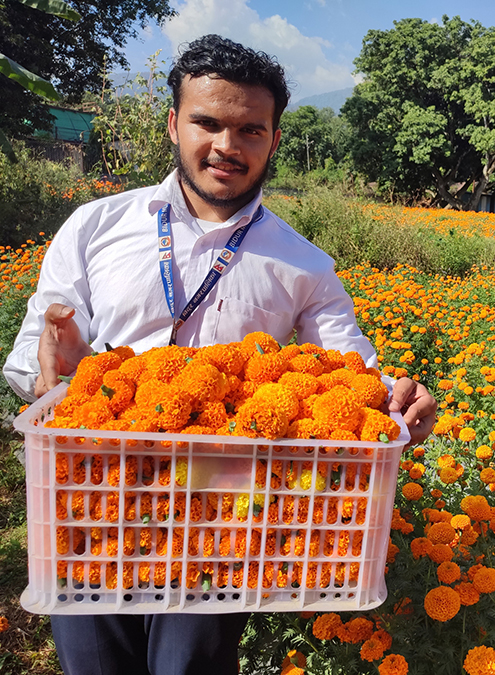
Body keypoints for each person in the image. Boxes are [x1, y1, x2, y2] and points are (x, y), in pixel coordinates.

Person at [3, 34, 437, 675]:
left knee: (189, 667)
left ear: (275, 139)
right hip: (90, 490)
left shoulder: (304, 266)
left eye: (250, 130)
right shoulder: (95, 228)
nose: (227, 147)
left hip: (218, 510)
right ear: (175, 123)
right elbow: (32, 364)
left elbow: (353, 374)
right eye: (207, 122)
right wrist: (59, 367)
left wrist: (398, 400)